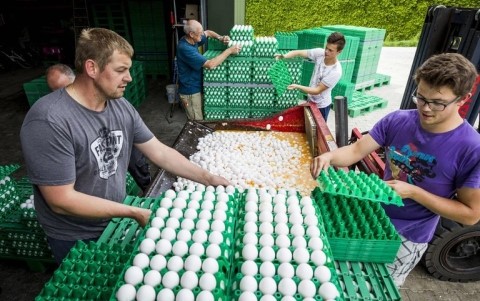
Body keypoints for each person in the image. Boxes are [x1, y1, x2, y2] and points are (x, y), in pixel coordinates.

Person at [20, 28, 230, 264]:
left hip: (113, 219)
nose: (129, 77)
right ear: (92, 68)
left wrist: (208, 178)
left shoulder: (120, 107)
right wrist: (132, 211)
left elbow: (158, 152)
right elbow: (61, 200)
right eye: (121, 70)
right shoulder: (49, 120)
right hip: (75, 236)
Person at [310, 53, 480, 286]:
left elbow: (470, 214)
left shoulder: (471, 148)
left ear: (463, 99)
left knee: (380, 287)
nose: (426, 108)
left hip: (408, 236)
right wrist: (329, 156)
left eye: (438, 103)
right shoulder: (398, 121)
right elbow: (356, 151)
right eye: (420, 97)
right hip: (371, 218)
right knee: (345, 282)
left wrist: (413, 192)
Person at [45, 63, 152, 192]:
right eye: (57, 91)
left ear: (75, 79)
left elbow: (157, 150)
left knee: (137, 164)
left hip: (119, 138)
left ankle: (148, 187)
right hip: (102, 151)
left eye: (66, 87)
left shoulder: (110, 99)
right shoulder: (59, 116)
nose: (65, 94)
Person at [176, 19, 241, 120]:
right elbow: (211, 64)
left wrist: (221, 38)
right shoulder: (185, 48)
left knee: (201, 116)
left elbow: (208, 32)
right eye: (199, 33)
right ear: (191, 34)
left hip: (196, 85)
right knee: (196, 122)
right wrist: (229, 51)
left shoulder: (193, 39)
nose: (202, 34)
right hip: (190, 91)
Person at [275, 32, 345, 121]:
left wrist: (297, 86)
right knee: (306, 126)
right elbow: (299, 52)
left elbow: (317, 90)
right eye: (326, 48)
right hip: (310, 100)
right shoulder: (320, 53)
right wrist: (284, 56)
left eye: (330, 50)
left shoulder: (335, 71)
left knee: (317, 132)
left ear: (339, 52)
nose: (326, 52)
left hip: (321, 106)